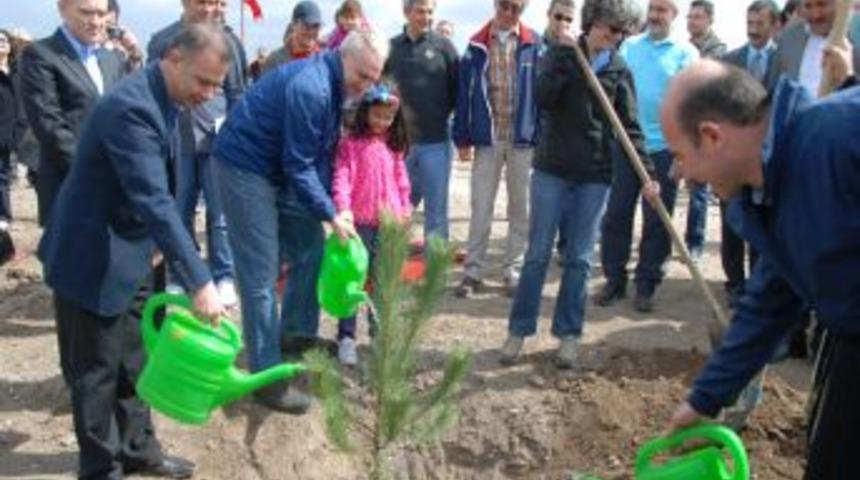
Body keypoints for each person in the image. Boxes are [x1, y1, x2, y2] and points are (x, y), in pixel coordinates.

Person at [39, 23, 230, 480]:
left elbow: (160, 188)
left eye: (216, 86)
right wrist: (201, 280)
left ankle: (139, 450)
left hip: (134, 250)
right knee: (96, 372)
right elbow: (152, 196)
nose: (208, 93)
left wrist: (156, 246)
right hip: (92, 255)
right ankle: (100, 467)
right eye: (202, 81)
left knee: (136, 358)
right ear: (173, 59)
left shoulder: (167, 97)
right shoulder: (130, 106)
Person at [662, 49, 859, 479]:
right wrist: (704, 399)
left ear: (712, 136)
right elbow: (770, 301)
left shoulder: (840, 135)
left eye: (681, 154)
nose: (683, 173)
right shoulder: (766, 198)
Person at [213, 29, 388, 412]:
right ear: (343, 58)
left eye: (376, 78)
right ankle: (268, 377)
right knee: (260, 274)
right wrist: (328, 212)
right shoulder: (312, 88)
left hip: (280, 170)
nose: (368, 87)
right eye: (363, 76)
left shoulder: (337, 86)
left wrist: (334, 208)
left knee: (310, 249)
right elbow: (299, 164)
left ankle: (294, 335)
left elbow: (319, 157)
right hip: (244, 167)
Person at [501, 0, 653, 368]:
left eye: (621, 32)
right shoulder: (559, 53)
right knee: (537, 254)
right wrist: (566, 60)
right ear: (592, 23)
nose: (615, 37)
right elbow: (542, 98)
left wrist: (647, 171)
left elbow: (629, 125)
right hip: (552, 168)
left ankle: (568, 335)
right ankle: (519, 331)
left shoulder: (619, 68)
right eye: (610, 29)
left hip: (594, 174)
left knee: (580, 259)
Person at [595, 0, 698, 313]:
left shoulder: (686, 53)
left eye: (662, 10)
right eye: (652, 8)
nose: (655, 15)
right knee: (616, 215)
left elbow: (692, 105)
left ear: (674, 15)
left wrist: (684, 154)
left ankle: (646, 284)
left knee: (657, 221)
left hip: (665, 150)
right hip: (626, 145)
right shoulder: (629, 46)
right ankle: (614, 279)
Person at [148, 0, 247, 307]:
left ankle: (224, 275)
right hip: (176, 142)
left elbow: (238, 94)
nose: (208, 9)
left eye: (216, 2)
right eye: (202, 2)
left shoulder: (228, 41)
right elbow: (153, 90)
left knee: (219, 213)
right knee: (179, 209)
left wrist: (234, 136)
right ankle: (181, 277)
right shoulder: (163, 40)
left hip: (217, 142)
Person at [452, 0, 542, 298]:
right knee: (481, 206)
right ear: (495, 4)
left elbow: (542, 96)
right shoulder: (475, 45)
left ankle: (513, 269)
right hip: (487, 138)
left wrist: (541, 134)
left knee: (520, 207)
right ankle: (472, 271)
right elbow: (464, 95)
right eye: (505, 5)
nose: (509, 12)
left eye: (517, 7)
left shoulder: (535, 44)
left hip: (523, 139)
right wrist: (462, 138)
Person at [19, 0, 125, 227]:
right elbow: (49, 125)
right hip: (67, 182)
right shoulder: (41, 55)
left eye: (101, 13)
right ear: (63, 9)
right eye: (86, 12)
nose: (96, 21)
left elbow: (123, 116)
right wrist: (92, 172)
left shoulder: (112, 59)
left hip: (113, 183)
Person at [331, 82, 411, 366]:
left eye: (388, 117)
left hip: (387, 224)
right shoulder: (350, 144)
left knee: (381, 282)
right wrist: (343, 209)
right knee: (352, 282)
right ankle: (347, 338)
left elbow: (402, 183)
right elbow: (341, 178)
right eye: (377, 115)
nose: (382, 122)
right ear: (365, 112)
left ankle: (379, 337)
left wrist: (404, 211)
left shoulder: (393, 147)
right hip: (358, 225)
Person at [718, 0, 779, 305]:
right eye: (750, 24)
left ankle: (757, 285)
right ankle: (734, 284)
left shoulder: (785, 59)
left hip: (767, 161)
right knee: (732, 222)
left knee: (761, 225)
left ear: (774, 25)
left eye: (760, 24)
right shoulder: (730, 61)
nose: (753, 30)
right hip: (731, 158)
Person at [384, 0, 458, 242]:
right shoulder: (390, 48)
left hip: (436, 143)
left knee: (436, 213)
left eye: (430, 12)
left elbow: (457, 93)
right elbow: (378, 92)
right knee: (395, 209)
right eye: (420, 11)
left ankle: (434, 275)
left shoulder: (445, 48)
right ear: (407, 12)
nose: (426, 17)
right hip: (398, 145)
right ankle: (388, 267)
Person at [683, 0, 726, 262]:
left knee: (699, 189)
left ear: (709, 20)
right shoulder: (683, 48)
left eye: (697, 17)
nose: (691, 21)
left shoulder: (718, 51)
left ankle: (695, 243)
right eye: (689, 17)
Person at [766, 0, 860, 94]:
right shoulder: (789, 38)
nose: (816, 15)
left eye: (822, 4)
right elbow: (773, 90)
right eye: (808, 6)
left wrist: (848, 76)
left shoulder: (856, 36)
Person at [0, 28, 23, 233]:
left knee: (5, 176)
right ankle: (4, 217)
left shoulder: (17, 71)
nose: (2, 43)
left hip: (14, 133)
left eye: (5, 40)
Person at [262, 1, 322, 73]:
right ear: (293, 25)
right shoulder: (275, 61)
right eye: (307, 26)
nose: (312, 32)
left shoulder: (324, 60)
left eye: (316, 26)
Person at [104, 0, 143, 73]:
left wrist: (133, 49)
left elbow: (135, 77)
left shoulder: (119, 53)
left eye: (111, 26)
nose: (106, 31)